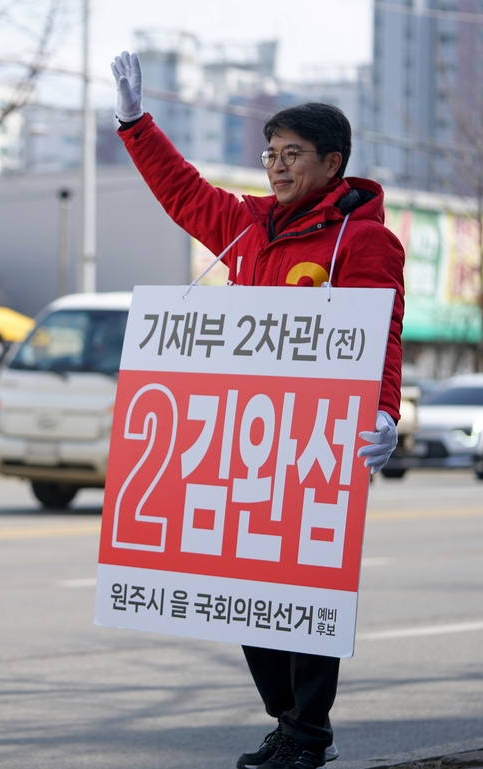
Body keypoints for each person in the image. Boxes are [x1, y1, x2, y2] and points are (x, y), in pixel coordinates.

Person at [110, 52, 404, 769]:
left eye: (292, 155)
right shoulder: (246, 227)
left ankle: (309, 734)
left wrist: (387, 413)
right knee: (245, 592)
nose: (276, 167)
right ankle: (285, 721)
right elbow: (182, 193)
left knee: (308, 594)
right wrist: (134, 123)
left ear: (333, 163)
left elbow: (383, 330)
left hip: (318, 446)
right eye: (271, 154)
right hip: (246, 443)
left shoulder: (362, 241)